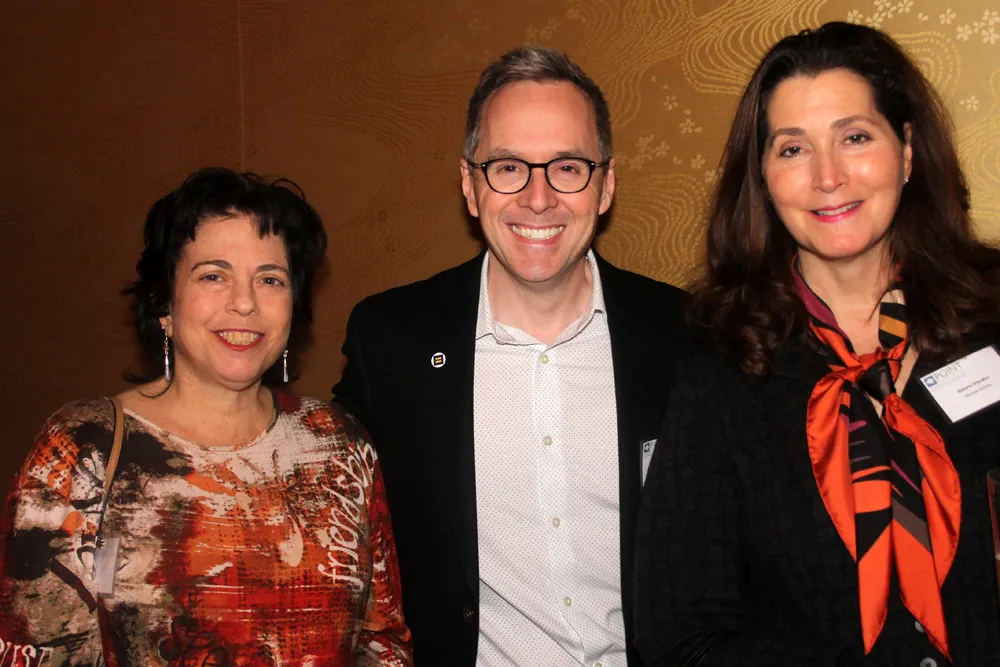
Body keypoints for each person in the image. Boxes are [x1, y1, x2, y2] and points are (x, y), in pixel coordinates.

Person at [634, 21, 1000, 667]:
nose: (828, 176)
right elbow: (681, 633)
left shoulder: (992, 316)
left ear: (907, 151)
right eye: (793, 148)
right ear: (764, 177)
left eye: (855, 137)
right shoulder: (721, 366)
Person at [333, 46, 688, 666]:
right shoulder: (392, 343)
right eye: (507, 167)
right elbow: (310, 491)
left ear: (606, 184)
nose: (538, 197)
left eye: (568, 167)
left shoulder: (688, 336)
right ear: (470, 186)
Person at [0, 167, 412, 666]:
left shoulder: (338, 445)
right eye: (213, 276)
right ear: (164, 304)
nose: (245, 303)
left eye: (270, 279)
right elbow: (36, 652)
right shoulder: (83, 450)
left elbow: (383, 641)